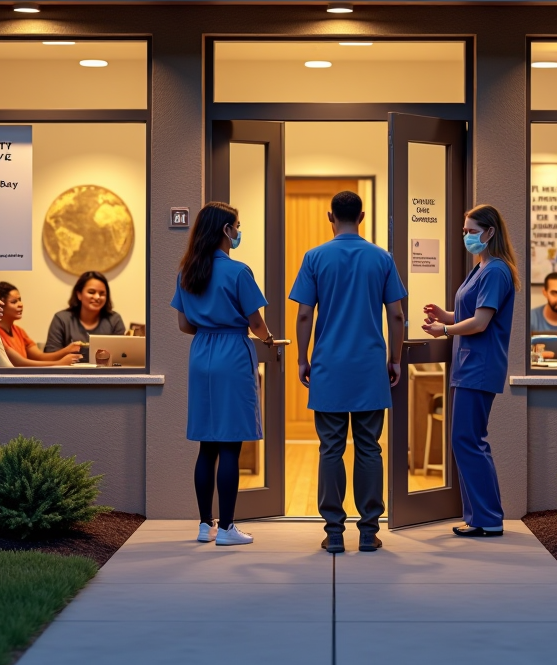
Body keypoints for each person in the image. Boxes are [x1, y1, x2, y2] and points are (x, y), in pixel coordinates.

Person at [290, 190, 406, 555]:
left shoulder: (314, 257)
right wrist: (395, 358)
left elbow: (305, 314)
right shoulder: (382, 258)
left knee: (331, 449)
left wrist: (302, 358)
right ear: (362, 216)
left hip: (329, 367)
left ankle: (335, 532)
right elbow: (397, 314)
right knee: (370, 448)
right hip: (370, 368)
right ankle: (369, 531)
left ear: (330, 217)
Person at [172, 201, 274, 546]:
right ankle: (228, 528)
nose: (238, 231)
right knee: (230, 444)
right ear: (225, 230)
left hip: (201, 353)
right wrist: (268, 339)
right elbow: (256, 323)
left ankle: (205, 525)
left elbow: (184, 324)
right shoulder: (238, 271)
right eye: (237, 226)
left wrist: (208, 327)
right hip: (232, 353)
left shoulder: (187, 271)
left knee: (207, 445)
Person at [422, 203, 519, 538]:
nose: (466, 236)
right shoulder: (481, 268)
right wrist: (445, 315)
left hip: (479, 367)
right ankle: (480, 517)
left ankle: (488, 518)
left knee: (468, 440)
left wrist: (445, 330)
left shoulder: (496, 271)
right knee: (467, 440)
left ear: (490, 232)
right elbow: (470, 313)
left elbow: (480, 322)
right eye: (464, 231)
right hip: (469, 367)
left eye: (472, 231)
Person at [0, 282, 83, 367]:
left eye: (20, 300)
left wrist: (67, 350)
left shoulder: (19, 331)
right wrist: (58, 363)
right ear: (0, 305)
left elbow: (39, 356)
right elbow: (19, 363)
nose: (20, 304)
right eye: (14, 302)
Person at [45, 270, 125, 360]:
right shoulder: (61, 319)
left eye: (102, 294)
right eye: (91, 292)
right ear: (79, 294)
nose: (97, 297)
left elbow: (122, 355)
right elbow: (50, 356)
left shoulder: (114, 320)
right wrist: (68, 350)